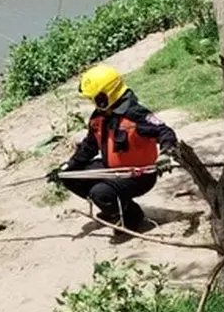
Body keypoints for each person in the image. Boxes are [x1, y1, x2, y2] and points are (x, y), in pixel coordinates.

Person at [49, 65, 177, 234]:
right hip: (112, 169)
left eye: (92, 99)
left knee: (100, 193)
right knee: (70, 177)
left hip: (138, 176)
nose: (91, 103)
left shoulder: (135, 115)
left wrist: (166, 154)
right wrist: (66, 168)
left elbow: (164, 132)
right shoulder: (98, 118)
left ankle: (133, 217)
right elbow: (88, 147)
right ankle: (115, 209)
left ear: (104, 97)